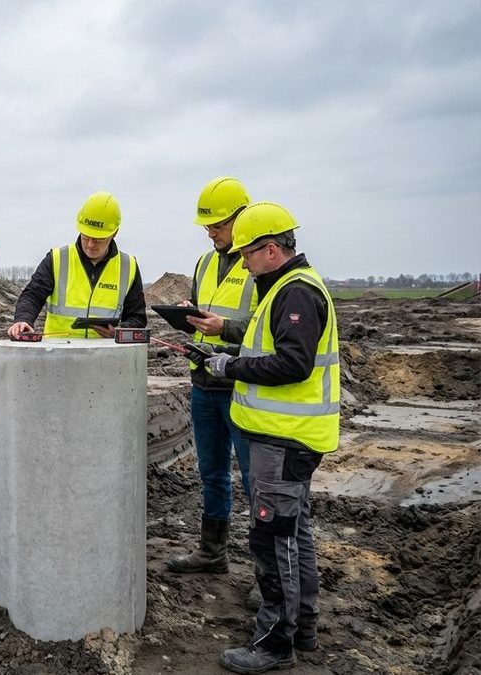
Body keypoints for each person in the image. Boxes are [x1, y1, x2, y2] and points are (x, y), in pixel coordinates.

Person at [202, 202, 340, 674]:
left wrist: (230, 366)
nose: (242, 262)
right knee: (294, 531)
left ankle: (275, 643)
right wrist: (228, 350)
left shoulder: (295, 292)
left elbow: (293, 363)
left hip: (286, 439)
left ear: (272, 250)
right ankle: (302, 625)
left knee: (271, 538)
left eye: (247, 254)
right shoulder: (283, 287)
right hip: (291, 438)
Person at [168, 177, 258, 576]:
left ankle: (266, 571)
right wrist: (191, 314)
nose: (211, 233)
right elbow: (206, 316)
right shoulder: (205, 263)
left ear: (242, 218)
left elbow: (267, 325)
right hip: (204, 383)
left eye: (218, 225)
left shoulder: (260, 265)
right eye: (207, 226)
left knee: (259, 483)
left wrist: (225, 328)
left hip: (243, 386)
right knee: (213, 474)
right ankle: (212, 551)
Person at [7, 191, 146, 339]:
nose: (90, 245)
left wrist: (119, 331)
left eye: (98, 239)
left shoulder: (128, 266)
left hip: (105, 355)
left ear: (115, 233)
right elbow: (32, 295)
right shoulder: (57, 259)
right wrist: (23, 319)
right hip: (57, 353)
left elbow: (137, 318)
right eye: (85, 237)